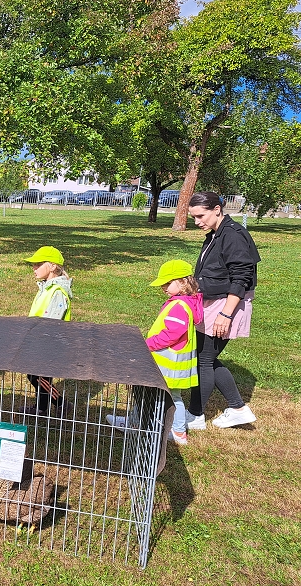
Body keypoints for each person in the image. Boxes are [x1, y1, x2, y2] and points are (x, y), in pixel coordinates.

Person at [186, 191, 259, 429]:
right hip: (214, 302)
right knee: (206, 358)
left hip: (226, 305)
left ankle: (195, 415)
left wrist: (225, 314)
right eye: (194, 217)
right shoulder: (217, 233)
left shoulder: (234, 235)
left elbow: (242, 277)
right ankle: (238, 408)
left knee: (204, 360)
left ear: (217, 209)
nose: (197, 222)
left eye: (200, 216)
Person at [110, 260, 203, 445]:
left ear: (184, 282)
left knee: (154, 395)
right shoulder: (185, 302)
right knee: (165, 396)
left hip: (167, 365)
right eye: (163, 284)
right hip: (174, 366)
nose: (164, 287)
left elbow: (171, 334)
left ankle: (155, 428)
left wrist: (148, 344)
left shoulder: (179, 306)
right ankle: (173, 431)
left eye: (168, 283)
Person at [21, 246, 73, 417]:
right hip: (38, 340)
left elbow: (52, 323)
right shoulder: (46, 288)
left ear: (52, 266)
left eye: (38, 264)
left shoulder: (58, 292)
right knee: (38, 376)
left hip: (49, 344)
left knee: (38, 377)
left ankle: (60, 403)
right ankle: (42, 407)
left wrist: (39, 340)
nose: (34, 268)